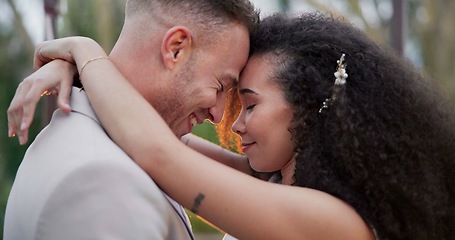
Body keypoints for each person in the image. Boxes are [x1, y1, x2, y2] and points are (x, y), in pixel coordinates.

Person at [8, 12, 455, 240]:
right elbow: (157, 130)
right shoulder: (278, 183)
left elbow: (158, 152)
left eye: (249, 105)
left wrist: (82, 50)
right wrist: (80, 74)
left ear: (306, 108)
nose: (234, 124)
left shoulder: (334, 221)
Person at [4, 0, 259, 239]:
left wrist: (84, 57)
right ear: (176, 49)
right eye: (219, 86)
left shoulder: (101, 142)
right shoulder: (102, 181)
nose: (218, 115)